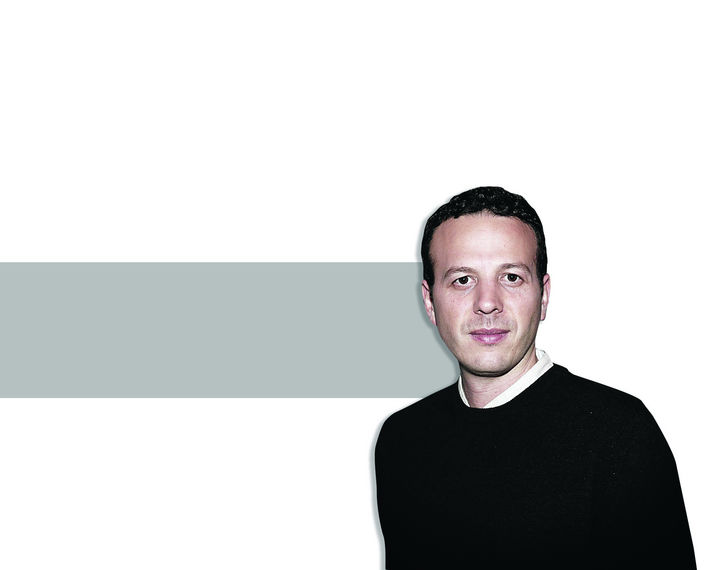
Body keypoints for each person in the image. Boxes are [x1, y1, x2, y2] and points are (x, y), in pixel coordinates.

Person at [374, 187, 696, 569]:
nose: (487, 302)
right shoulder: (401, 441)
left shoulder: (621, 435)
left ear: (543, 296)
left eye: (511, 277)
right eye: (462, 280)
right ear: (430, 301)